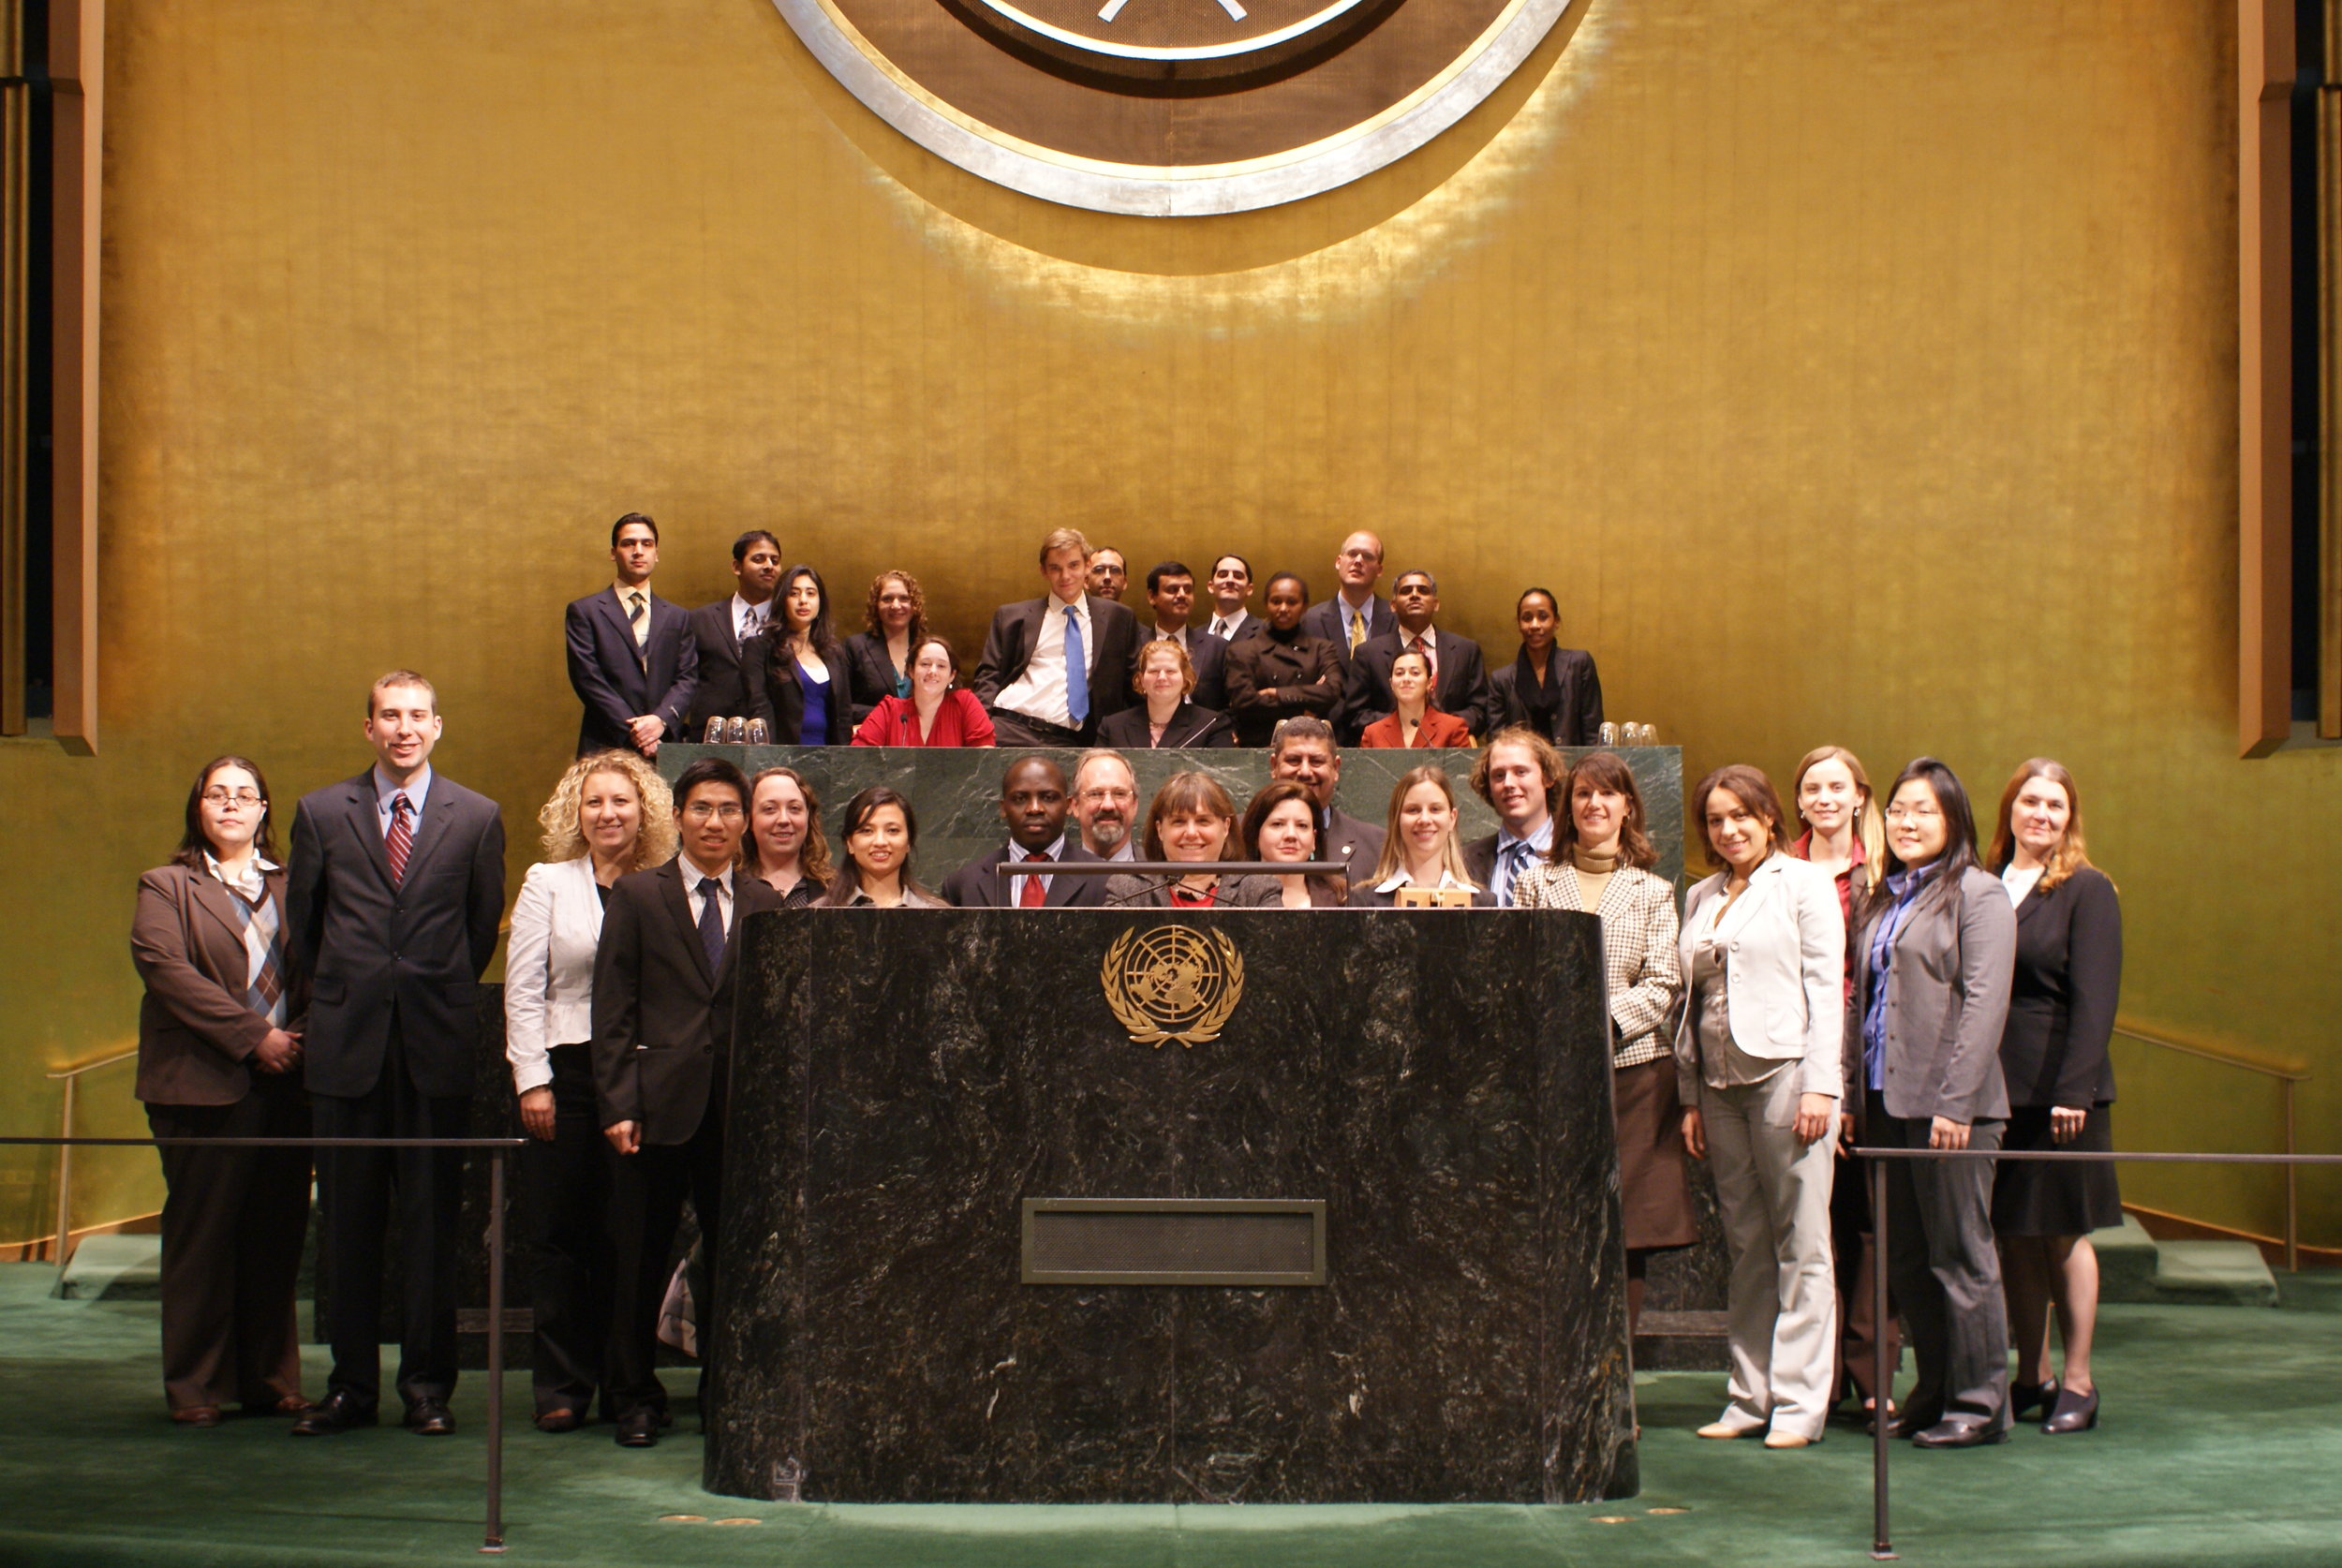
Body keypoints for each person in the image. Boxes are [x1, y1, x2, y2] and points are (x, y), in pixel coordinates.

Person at [287, 672, 505, 1438]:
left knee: (430, 1225)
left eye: (417, 715)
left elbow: (479, 931)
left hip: (434, 1048)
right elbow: (304, 931)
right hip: (347, 1051)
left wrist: (424, 990)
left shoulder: (477, 817)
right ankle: (349, 1386)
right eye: (390, 715)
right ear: (369, 727)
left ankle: (425, 1388)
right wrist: (356, 992)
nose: (404, 728)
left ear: (437, 726)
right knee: (346, 1225)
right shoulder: (319, 813)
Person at [592, 757, 784, 1448]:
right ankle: (634, 1395)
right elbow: (612, 1010)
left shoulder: (765, 901)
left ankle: (722, 1391)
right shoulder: (640, 897)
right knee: (638, 1260)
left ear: (745, 822)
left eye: (730, 810)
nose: (716, 822)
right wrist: (617, 1103)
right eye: (702, 809)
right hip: (651, 1111)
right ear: (678, 816)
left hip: (736, 1116)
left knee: (730, 1262)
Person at [130, 756, 311, 1427]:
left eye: (246, 795)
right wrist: (252, 1038)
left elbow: (327, 967)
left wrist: (298, 1036)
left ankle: (270, 1379)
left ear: (266, 809)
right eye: (217, 794)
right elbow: (167, 972)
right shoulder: (166, 886)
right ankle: (196, 1387)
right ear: (198, 808)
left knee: (276, 1235)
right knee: (202, 1239)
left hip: (289, 1086)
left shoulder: (295, 885)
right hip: (202, 1087)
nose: (232, 804)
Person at [1674, 766, 1845, 1451]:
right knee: (1745, 1247)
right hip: (1718, 1083)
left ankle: (1801, 1406)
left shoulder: (1801, 883)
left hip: (1785, 1077)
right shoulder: (1702, 894)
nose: (1729, 829)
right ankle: (1750, 1395)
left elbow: (1825, 989)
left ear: (1770, 817)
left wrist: (1821, 1085)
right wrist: (1688, 1095)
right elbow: (1690, 1004)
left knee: (1801, 1245)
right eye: (1716, 819)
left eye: (1741, 815)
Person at [1848, 757, 2017, 1449]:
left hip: (1954, 1109)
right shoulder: (1884, 899)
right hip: (1888, 1101)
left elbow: (1983, 1004)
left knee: (1961, 1257)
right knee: (1908, 1259)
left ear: (1953, 819)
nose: (1906, 821)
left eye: (1922, 809)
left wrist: (1957, 1103)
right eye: (1897, 809)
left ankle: (1979, 1404)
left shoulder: (1979, 894)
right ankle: (1935, 1391)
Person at [504, 751, 674, 1433]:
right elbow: (523, 991)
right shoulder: (548, 883)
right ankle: (562, 1386)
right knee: (558, 1235)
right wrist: (532, 1079)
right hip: (565, 1077)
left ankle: (625, 1384)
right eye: (595, 801)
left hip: (638, 1080)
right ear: (577, 812)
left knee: (628, 1239)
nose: (609, 813)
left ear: (645, 812)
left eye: (622, 801)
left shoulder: (664, 885)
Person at [1513, 750, 1691, 1336]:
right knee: (1557, 1222)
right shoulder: (1536, 882)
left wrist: (1595, 1024)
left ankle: (1616, 1382)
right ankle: (1564, 1371)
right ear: (1569, 807)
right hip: (1553, 1075)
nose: (1594, 804)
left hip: (1633, 1075)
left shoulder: (1652, 891)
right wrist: (1560, 1031)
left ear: (1628, 808)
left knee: (1627, 1229)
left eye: (1607, 794)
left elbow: (1663, 983)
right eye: (1583, 795)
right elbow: (1516, 974)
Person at [1987, 759, 2122, 1437]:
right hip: (1997, 1091)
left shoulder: (2088, 889)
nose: (2041, 814)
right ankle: (2030, 1375)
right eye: (2030, 801)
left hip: (2062, 1094)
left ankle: (2079, 1380)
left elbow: (2096, 1001)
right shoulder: (1984, 886)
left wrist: (2075, 1089)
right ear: (2009, 808)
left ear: (2070, 817)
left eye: (2055, 805)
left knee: (2063, 1234)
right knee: (2013, 1237)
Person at [1786, 744, 1897, 1424]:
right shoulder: (1780, 870)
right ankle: (1813, 1376)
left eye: (1836, 787)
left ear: (1860, 795)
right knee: (1806, 1229)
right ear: (1797, 801)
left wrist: (1848, 1087)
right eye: (1811, 788)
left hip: (1864, 1065)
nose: (1824, 798)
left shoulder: (1885, 872)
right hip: (1791, 1062)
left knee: (1865, 1226)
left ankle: (1871, 1372)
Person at [974, 526, 1142, 746]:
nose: (1066, 576)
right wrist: (983, 729)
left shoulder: (1118, 618)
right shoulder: (1011, 616)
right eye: (1055, 568)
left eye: (1073, 565)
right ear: (1043, 571)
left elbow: (1135, 684)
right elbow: (988, 675)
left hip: (1074, 740)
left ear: (1087, 566)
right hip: (1009, 729)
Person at [565, 513, 698, 758]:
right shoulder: (585, 611)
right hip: (607, 742)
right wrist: (637, 730)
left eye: (646, 544)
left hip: (664, 743)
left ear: (656, 553)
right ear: (613, 553)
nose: (638, 551)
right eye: (628, 544)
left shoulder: (678, 617)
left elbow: (687, 678)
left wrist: (660, 721)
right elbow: (588, 678)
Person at [939, 757, 1109, 908]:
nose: (1034, 809)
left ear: (1069, 805)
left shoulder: (1105, 880)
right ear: (1003, 808)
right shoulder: (962, 885)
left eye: (1048, 797)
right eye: (1020, 799)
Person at [1347, 570, 1492, 741]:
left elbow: (1480, 710)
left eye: (1423, 591)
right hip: (1390, 752)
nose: (1415, 595)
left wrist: (1441, 727)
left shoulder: (1465, 650)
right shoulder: (1368, 653)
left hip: (1449, 749)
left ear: (1435, 604)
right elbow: (1356, 715)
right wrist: (1403, 725)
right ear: (1393, 605)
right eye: (1406, 591)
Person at [1347, 766, 1496, 907]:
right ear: (1396, 819)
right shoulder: (1362, 899)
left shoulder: (1483, 902)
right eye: (1413, 810)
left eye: (1435, 809)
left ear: (1452, 818)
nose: (1424, 819)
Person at [683, 530, 782, 739]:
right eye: (758, 559)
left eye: (774, 560)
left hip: (772, 737)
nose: (769, 566)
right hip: (710, 736)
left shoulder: (787, 623)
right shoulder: (700, 619)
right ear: (736, 567)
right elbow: (685, 679)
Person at [1223, 573, 1342, 747]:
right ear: (1266, 604)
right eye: (1276, 601)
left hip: (1311, 746)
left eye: (1292, 602)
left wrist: (1277, 693)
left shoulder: (1322, 649)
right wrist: (1305, 708)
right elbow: (1244, 702)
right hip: (1258, 748)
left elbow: (1332, 691)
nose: (1283, 608)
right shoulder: (1241, 651)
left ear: (1304, 607)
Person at [1299, 531, 1395, 739]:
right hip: (1323, 735)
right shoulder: (1308, 620)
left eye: (1367, 556)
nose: (1358, 561)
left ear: (1379, 569)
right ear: (1338, 561)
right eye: (1352, 554)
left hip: (1384, 736)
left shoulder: (1397, 619)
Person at [1266, 716, 1384, 880]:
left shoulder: (1376, 845)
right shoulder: (1238, 839)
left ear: (1335, 768)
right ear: (1274, 766)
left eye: (1316, 761)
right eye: (1293, 761)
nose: (1305, 772)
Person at [747, 565, 854, 745]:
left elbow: (843, 714)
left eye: (810, 593)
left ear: (821, 601)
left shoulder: (834, 652)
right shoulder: (761, 648)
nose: (803, 600)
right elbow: (760, 711)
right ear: (782, 600)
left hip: (829, 756)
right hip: (781, 754)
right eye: (794, 593)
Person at [1104, 773, 1243, 908]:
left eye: (1203, 821)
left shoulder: (1255, 889)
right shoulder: (1128, 890)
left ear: (1226, 827)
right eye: (1179, 822)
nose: (1191, 833)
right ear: (1160, 830)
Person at [1486, 587, 1603, 747]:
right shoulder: (1501, 679)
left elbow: (1593, 730)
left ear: (1556, 621)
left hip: (1574, 766)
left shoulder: (1579, 664)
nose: (1534, 625)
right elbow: (1497, 741)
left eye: (1543, 617)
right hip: (1523, 766)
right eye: (1527, 618)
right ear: (1519, 624)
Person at [1462, 727, 1564, 905]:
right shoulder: (1464, 861)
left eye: (1520, 772)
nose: (1508, 783)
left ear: (1548, 777)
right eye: (1499, 775)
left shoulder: (1575, 854)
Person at [851, 635, 998, 747]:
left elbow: (985, 760)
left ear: (951, 676)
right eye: (925, 664)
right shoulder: (889, 710)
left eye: (941, 666)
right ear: (911, 671)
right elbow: (858, 759)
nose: (932, 671)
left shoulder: (965, 703)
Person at [814, 786, 948, 907]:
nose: (880, 842)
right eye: (866, 831)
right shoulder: (817, 913)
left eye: (892, 830)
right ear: (850, 843)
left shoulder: (939, 913)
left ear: (909, 842)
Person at [1223, 780, 1347, 908]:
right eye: (1278, 824)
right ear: (1255, 835)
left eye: (1302, 826)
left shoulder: (1343, 898)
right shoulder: (1228, 897)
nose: (1291, 835)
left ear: (1314, 839)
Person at [1097, 639, 1237, 749]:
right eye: (1153, 671)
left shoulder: (1212, 725)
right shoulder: (1112, 726)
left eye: (1170, 671)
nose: (1162, 677)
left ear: (1185, 678)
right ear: (1141, 679)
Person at [1138, 561, 1227, 710]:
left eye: (1188, 590)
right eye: (1172, 589)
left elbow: (1227, 704)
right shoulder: (1134, 644)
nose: (1181, 595)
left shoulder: (1217, 647)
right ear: (1152, 596)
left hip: (1204, 730)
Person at [842, 570, 925, 727]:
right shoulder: (854, 647)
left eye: (904, 598)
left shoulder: (928, 649)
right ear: (876, 605)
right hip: (872, 740)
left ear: (915, 605)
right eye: (887, 599)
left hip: (921, 742)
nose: (895, 605)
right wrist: (889, 713)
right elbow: (841, 706)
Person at [743, 765, 833, 908]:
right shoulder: (728, 888)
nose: (784, 820)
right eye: (770, 809)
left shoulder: (835, 890)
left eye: (794, 808)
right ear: (749, 820)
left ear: (808, 817)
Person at [1357, 646, 1471, 748]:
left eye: (1415, 673)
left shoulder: (1453, 728)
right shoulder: (1373, 733)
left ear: (1429, 683)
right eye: (1399, 673)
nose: (1406, 679)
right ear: (1391, 684)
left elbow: (1462, 771)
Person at [1070, 749, 1141, 863]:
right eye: (1095, 794)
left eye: (1119, 794)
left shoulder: (1162, 871)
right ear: (1075, 806)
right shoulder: (1052, 874)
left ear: (1134, 805)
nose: (1108, 805)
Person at [1204, 554, 1256, 643]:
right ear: (1210, 586)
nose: (1230, 580)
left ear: (1249, 589)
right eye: (1223, 575)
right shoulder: (1191, 638)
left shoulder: (1266, 633)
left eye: (1238, 576)